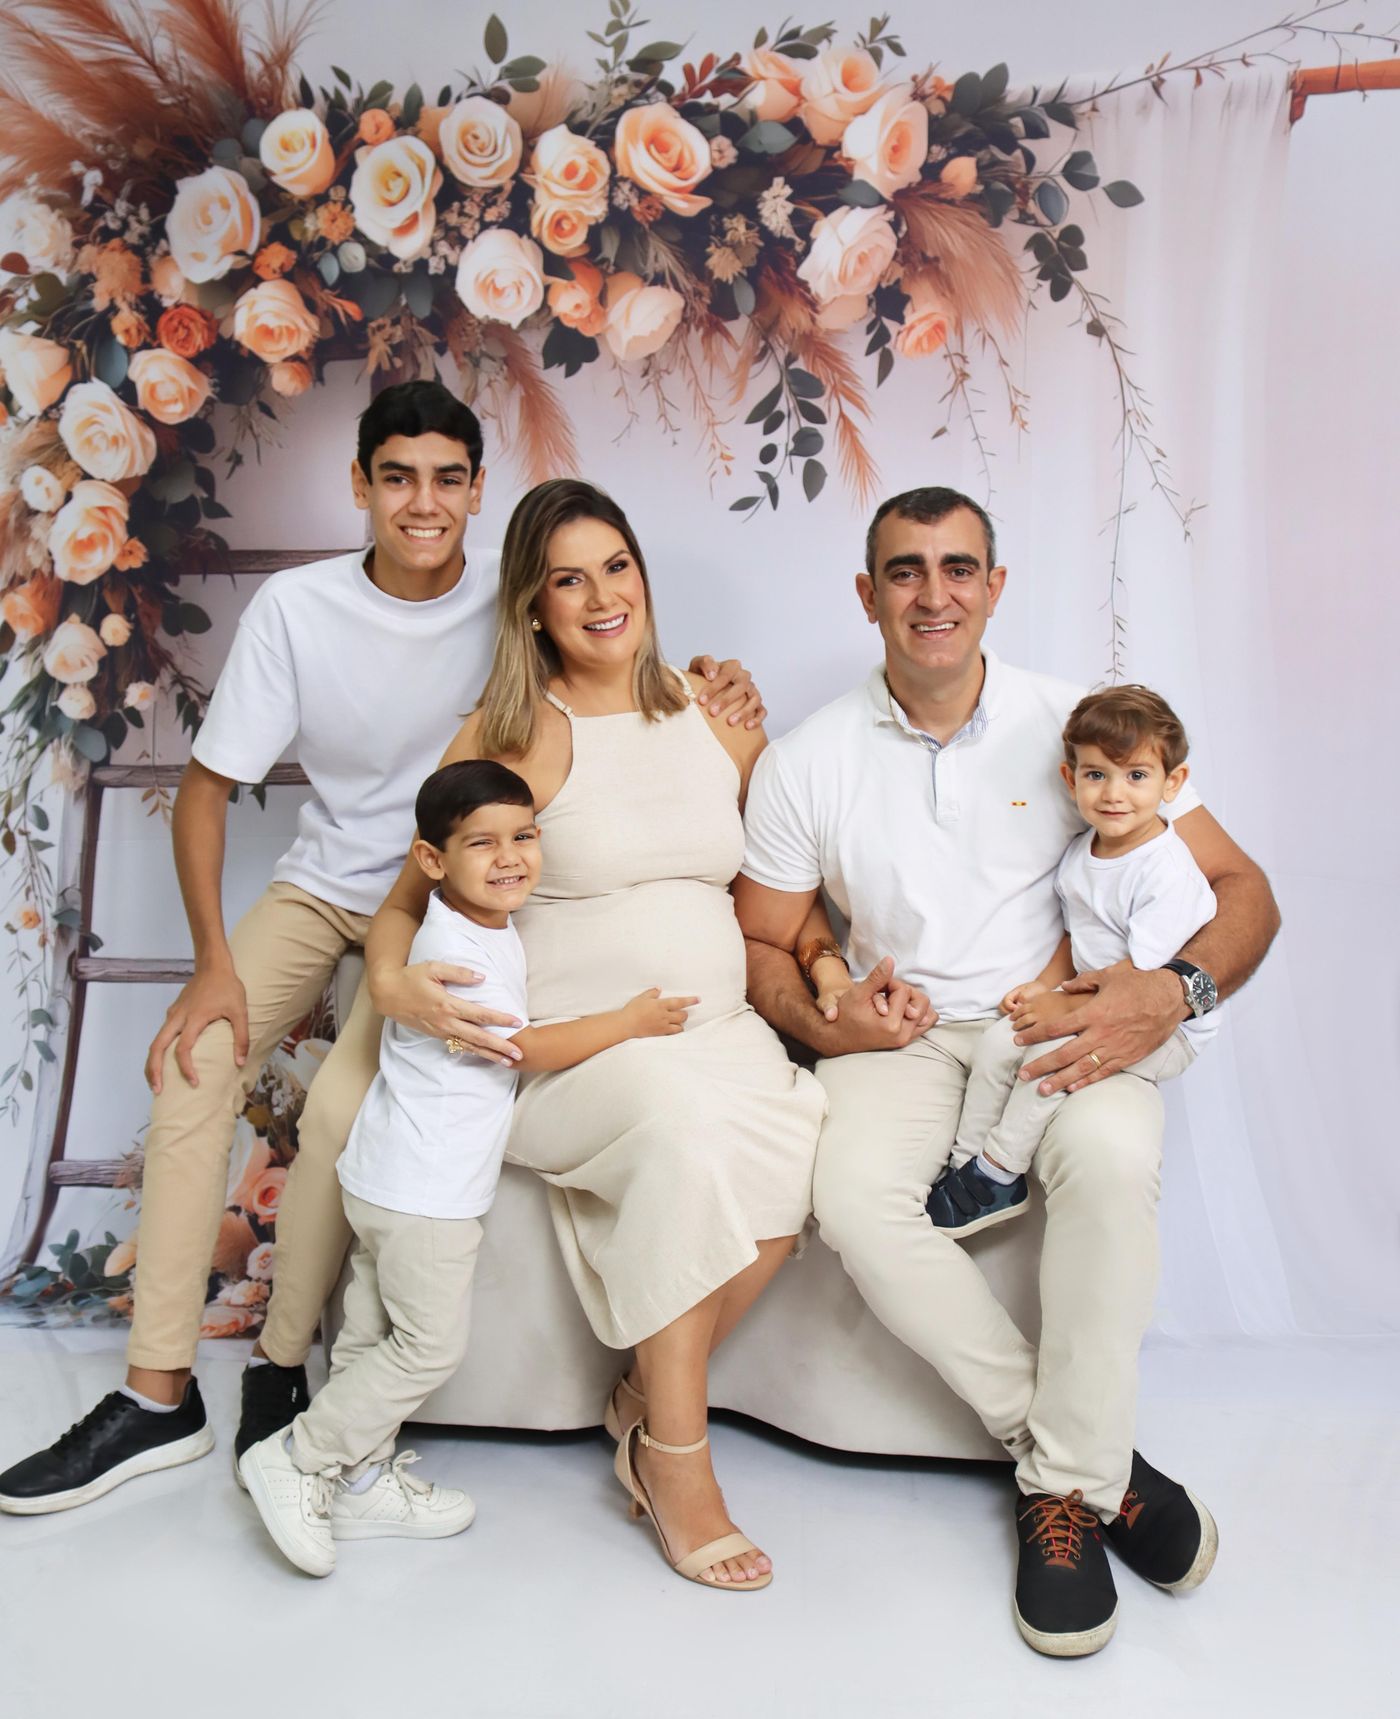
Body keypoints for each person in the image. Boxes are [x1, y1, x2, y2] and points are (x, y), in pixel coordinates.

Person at [0, 382, 763, 1518]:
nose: (423, 503)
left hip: (444, 903)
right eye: (396, 477)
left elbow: (618, 667)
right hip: (327, 885)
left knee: (336, 1117)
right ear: (359, 484)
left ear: (477, 490)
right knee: (198, 1063)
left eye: (448, 478)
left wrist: (715, 683)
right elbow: (206, 790)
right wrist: (212, 964)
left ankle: (278, 1372)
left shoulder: (515, 593)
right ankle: (157, 1394)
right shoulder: (299, 608)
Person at [734, 486, 1279, 1657]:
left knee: (1112, 1157)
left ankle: (1058, 1494)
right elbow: (761, 938)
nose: (931, 594)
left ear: (994, 586)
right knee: (851, 1200)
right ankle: (1079, 1463)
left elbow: (1243, 891)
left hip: (1059, 1020)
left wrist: (1170, 989)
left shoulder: (1079, 728)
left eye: (957, 568)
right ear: (865, 593)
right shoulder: (806, 758)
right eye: (904, 570)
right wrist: (828, 1014)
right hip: (903, 1037)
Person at [362, 477, 827, 1590]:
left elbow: (781, 888)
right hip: (580, 1050)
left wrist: (824, 965)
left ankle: (639, 1400)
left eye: (616, 567)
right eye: (567, 579)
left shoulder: (717, 716)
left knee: (799, 1143)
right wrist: (391, 984)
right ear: (533, 605)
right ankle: (676, 1460)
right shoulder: (513, 731)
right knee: (681, 1133)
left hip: (716, 1033)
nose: (601, 596)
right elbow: (404, 899)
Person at [240, 757, 694, 1576]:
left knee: (372, 1331)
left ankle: (361, 1479)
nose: (510, 855)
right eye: (482, 843)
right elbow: (525, 1050)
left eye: (524, 835)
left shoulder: (474, 925)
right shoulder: (459, 952)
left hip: (386, 1172)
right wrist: (628, 1020)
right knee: (426, 1346)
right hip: (427, 1189)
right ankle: (300, 1455)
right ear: (431, 859)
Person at [927, 683, 1218, 1237]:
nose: (1114, 793)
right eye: (1096, 774)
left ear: (1173, 782)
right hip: (1093, 997)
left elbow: (1144, 980)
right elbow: (1075, 936)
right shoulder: (1083, 852)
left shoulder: (1164, 872)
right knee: (999, 1043)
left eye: (1137, 775)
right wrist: (1045, 988)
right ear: (1071, 778)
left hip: (1165, 1025)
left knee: (1052, 1058)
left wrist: (1064, 1009)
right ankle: (964, 1162)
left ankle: (998, 1173)